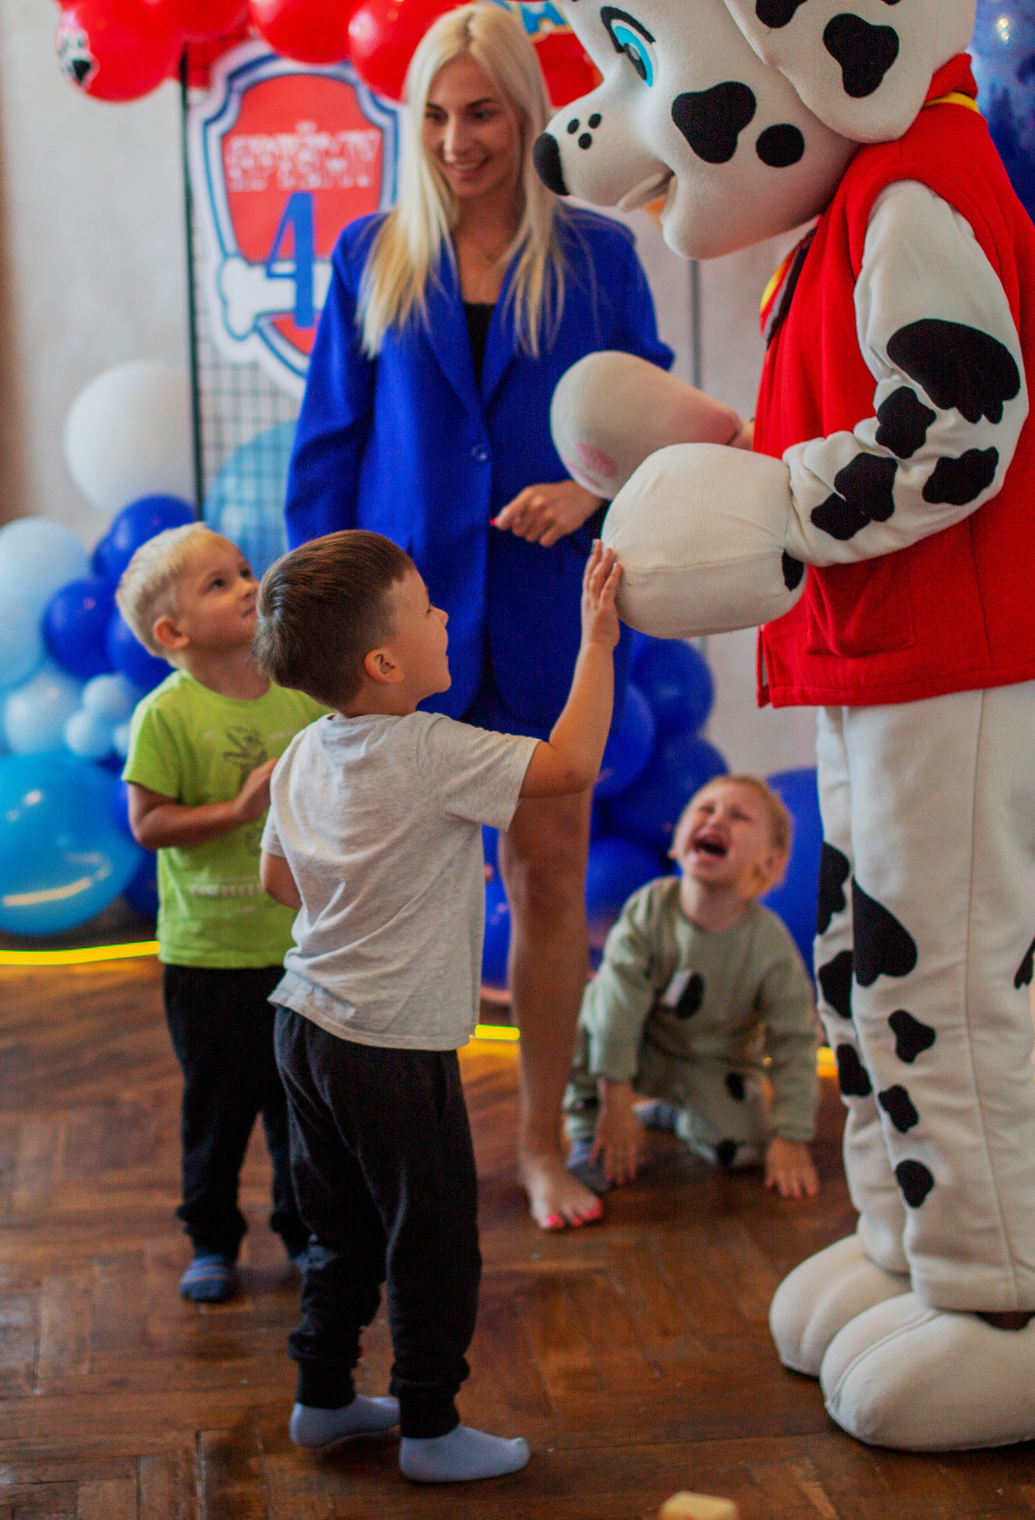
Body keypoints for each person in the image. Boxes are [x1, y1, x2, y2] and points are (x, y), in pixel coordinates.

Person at [288, 2, 673, 1233]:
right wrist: (320, 638)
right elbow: (329, 449)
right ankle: (397, 1158)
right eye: (438, 117)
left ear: (524, 111)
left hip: (551, 617)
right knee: (388, 900)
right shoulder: (368, 254)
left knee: (548, 882)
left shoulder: (601, 255)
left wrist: (589, 488)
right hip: (400, 635)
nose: (460, 140)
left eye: (484, 113)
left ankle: (539, 1145)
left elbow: (655, 430)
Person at [252, 529, 621, 1484]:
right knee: (434, 1237)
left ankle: (324, 1398)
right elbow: (570, 766)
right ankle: (429, 1424)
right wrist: (597, 643)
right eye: (426, 608)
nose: (448, 614)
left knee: (341, 1232)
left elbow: (276, 883)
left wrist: (359, 884)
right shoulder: (432, 748)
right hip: (392, 1045)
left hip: (303, 1022)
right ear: (384, 660)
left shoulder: (300, 752)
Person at [115, 524, 327, 1306]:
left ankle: (304, 1231)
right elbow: (149, 825)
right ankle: (210, 1238)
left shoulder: (301, 694)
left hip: (298, 948)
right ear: (171, 632)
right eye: (218, 583)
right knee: (217, 1107)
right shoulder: (166, 716)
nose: (246, 585)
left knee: (298, 1105)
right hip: (206, 954)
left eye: (243, 571)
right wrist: (240, 807)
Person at [562, 775, 822, 1200]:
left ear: (770, 864)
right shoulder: (650, 908)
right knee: (592, 1012)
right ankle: (589, 1131)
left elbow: (794, 1038)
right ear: (676, 840)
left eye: (738, 816)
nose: (717, 819)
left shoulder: (769, 945)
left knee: (744, 1150)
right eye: (705, 809)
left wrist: (791, 1136)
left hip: (713, 1064)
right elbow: (617, 1007)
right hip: (634, 1048)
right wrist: (615, 1096)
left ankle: (678, 1112)